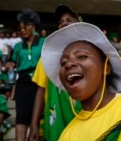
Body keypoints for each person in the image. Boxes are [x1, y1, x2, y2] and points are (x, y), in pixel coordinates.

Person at [28, 4, 82, 141]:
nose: (63, 23)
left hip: (83, 120)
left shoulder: (89, 55)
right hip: (55, 125)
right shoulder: (47, 57)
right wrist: (34, 124)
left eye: (69, 20)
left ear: (80, 25)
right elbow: (41, 90)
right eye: (60, 22)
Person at [6, 8, 44, 141]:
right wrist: (10, 65)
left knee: (38, 116)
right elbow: (13, 63)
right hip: (23, 83)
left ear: (33, 26)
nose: (22, 30)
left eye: (25, 26)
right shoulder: (17, 46)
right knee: (21, 117)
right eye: (20, 27)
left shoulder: (43, 43)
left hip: (39, 83)